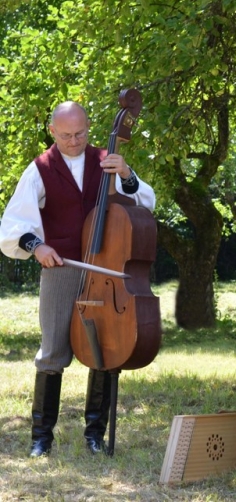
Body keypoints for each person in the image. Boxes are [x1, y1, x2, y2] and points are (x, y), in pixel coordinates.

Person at [0, 101, 156, 457]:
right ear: (52, 131)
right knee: (53, 350)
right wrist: (37, 247)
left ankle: (94, 435)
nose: (74, 141)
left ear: (89, 128)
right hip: (63, 267)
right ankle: (41, 438)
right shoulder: (40, 168)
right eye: (67, 135)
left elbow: (145, 203)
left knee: (105, 348)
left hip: (105, 265)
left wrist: (127, 174)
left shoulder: (107, 160)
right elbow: (13, 224)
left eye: (81, 133)